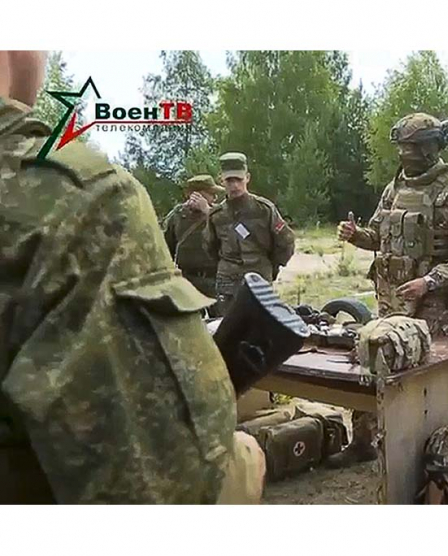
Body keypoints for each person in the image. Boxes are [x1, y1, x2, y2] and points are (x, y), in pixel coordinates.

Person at [0, 50, 264, 504]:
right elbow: (172, 498)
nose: (225, 189)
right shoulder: (82, 204)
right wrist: (239, 466)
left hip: (247, 285)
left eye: (231, 182)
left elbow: (283, 245)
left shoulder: (261, 212)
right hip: (212, 287)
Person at [331, 113, 448, 467]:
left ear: (432, 147)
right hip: (391, 299)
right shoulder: (395, 188)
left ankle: (436, 456)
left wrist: (430, 281)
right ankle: (363, 442)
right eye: (402, 147)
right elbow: (378, 237)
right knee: (372, 363)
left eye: (413, 147)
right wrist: (356, 235)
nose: (406, 154)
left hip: (435, 305)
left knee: (427, 383)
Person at [204, 152, 295, 316]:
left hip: (259, 277)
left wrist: (272, 266)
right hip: (227, 283)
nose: (235, 185)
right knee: (227, 329)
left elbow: (286, 242)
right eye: (229, 180)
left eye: (238, 179)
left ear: (247, 178)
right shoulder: (216, 215)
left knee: (260, 329)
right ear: (221, 180)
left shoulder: (264, 209)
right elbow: (210, 247)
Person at [162, 174, 225, 299]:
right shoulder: (177, 216)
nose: (215, 197)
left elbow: (228, 236)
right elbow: (165, 248)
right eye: (211, 193)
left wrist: (208, 211)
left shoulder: (219, 213)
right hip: (187, 280)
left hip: (214, 279)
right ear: (196, 194)